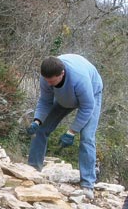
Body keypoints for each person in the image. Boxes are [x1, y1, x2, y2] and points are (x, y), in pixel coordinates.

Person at [26, 54, 103, 198]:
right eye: (47, 81)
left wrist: (71, 131)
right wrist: (37, 121)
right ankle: (33, 170)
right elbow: (45, 101)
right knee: (41, 129)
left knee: (87, 137)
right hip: (65, 98)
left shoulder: (80, 79)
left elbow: (87, 108)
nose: (49, 84)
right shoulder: (46, 79)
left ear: (62, 73)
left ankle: (87, 184)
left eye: (52, 82)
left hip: (91, 95)